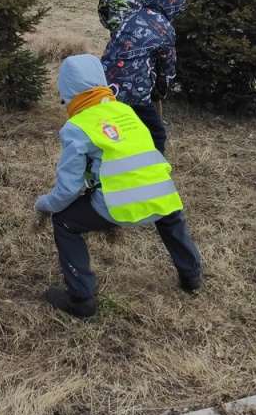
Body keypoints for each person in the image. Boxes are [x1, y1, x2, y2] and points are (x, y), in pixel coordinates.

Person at [35, 54, 203, 320]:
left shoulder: (76, 127)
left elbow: (69, 189)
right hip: (163, 192)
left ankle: (81, 299)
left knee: (65, 223)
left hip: (117, 205)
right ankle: (192, 276)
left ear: (66, 90)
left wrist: (44, 204)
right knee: (171, 216)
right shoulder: (127, 111)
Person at [101, 0, 185, 155]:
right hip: (135, 92)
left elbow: (111, 48)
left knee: (114, 129)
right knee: (156, 134)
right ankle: (153, 173)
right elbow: (167, 70)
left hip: (105, 88)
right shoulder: (165, 28)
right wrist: (159, 92)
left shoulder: (131, 17)